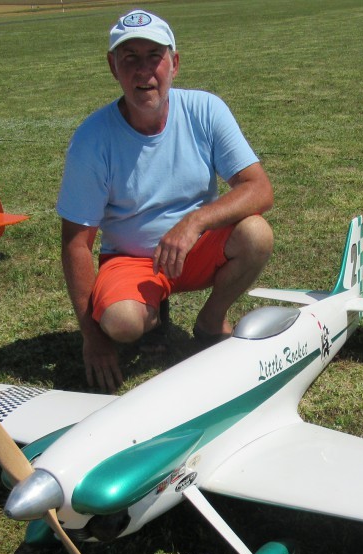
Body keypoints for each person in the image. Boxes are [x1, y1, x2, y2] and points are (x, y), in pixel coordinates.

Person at [57, 9, 274, 392]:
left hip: (195, 248)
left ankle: (210, 321)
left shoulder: (206, 110)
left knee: (256, 234)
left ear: (174, 63)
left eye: (154, 57)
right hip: (130, 259)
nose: (144, 71)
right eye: (130, 59)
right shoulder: (92, 139)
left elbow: (259, 188)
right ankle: (149, 314)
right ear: (113, 67)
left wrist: (194, 223)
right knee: (123, 323)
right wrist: (93, 338)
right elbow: (76, 243)